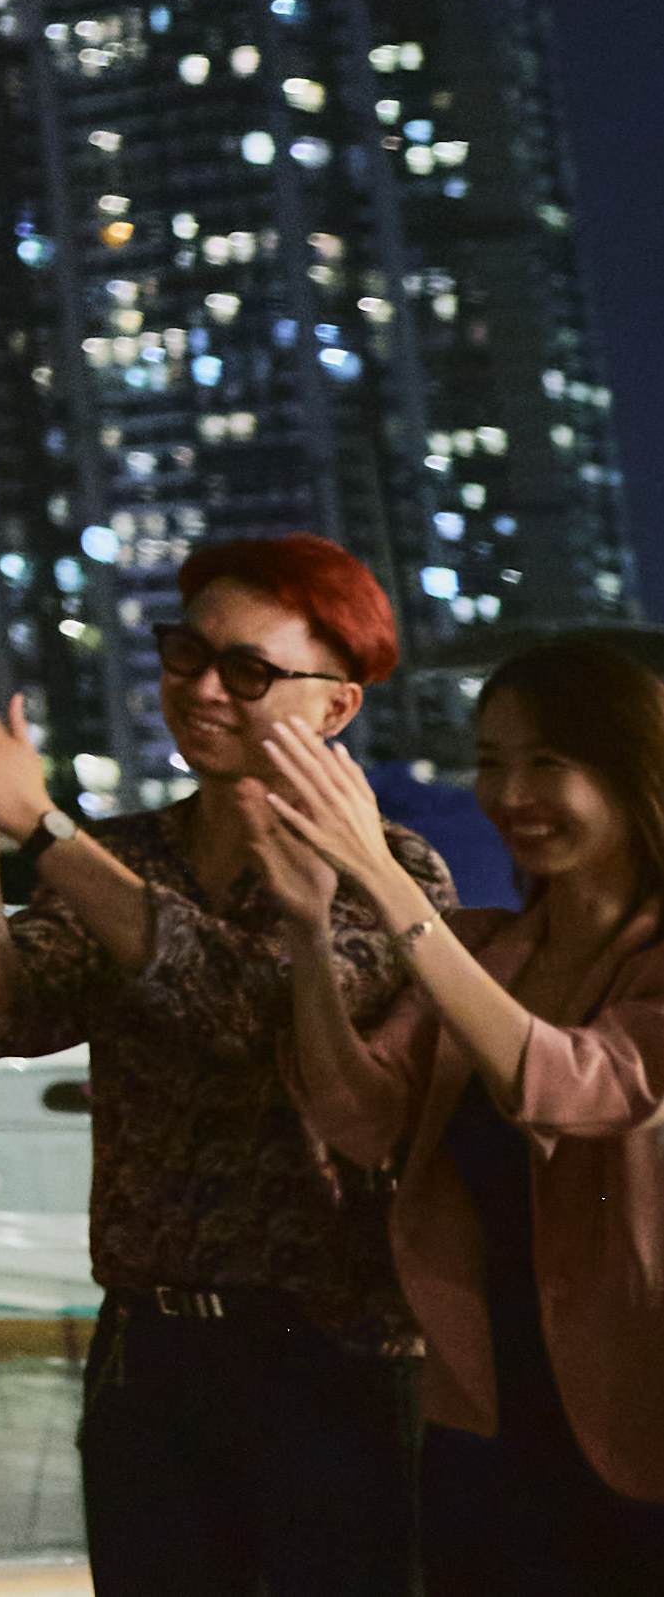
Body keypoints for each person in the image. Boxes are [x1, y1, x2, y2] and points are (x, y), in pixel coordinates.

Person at [0, 532, 449, 1597]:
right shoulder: (126, 850)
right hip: (146, 1352)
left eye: (245, 670)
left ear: (334, 707)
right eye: (180, 654)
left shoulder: (389, 872)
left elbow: (242, 1005)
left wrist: (42, 825)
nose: (196, 689)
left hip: (328, 1355)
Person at [246, 635, 664, 1586]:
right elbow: (359, 1118)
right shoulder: (487, 949)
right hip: (485, 1412)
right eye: (489, 763)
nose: (509, 794)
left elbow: (568, 1085)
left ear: (636, 768)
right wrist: (311, 930)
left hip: (639, 1413)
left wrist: (387, 883)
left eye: (546, 762)